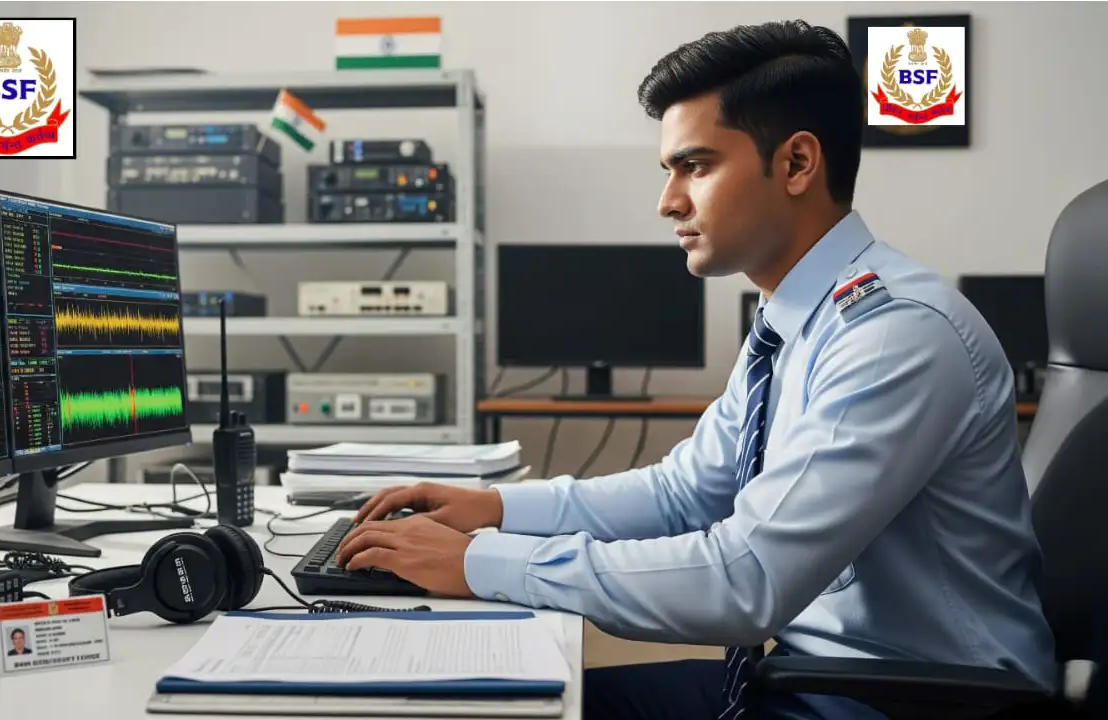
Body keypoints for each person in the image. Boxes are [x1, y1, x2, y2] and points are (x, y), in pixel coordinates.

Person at [335, 19, 1056, 720]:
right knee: (503, 698)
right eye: (669, 169)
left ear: (798, 163)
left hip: (918, 701)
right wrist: (495, 510)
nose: (668, 201)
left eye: (696, 165)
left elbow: (746, 580)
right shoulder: (789, 321)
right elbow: (686, 494)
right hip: (818, 675)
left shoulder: (896, 336)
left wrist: (479, 563)